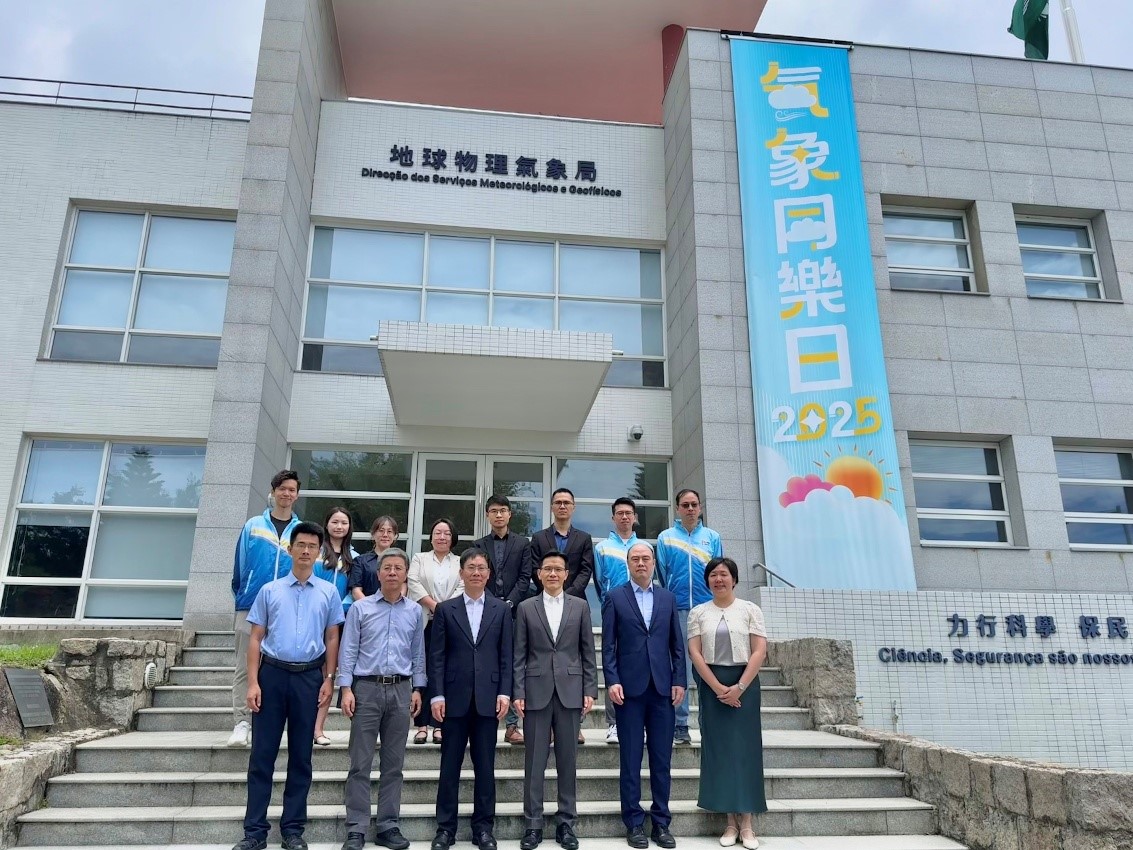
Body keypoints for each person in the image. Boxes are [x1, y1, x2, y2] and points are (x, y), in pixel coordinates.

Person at [233, 521, 343, 850]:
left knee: (301, 758)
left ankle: (293, 830)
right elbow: (256, 638)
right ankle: (254, 832)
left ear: (320, 552)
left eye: (313, 546)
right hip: (272, 676)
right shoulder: (270, 590)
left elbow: (332, 637)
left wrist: (329, 679)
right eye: (301, 545)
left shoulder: (328, 592)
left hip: (309, 678)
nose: (306, 551)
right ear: (290, 549)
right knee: (262, 756)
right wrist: (253, 683)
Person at [338, 548, 426, 850]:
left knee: (393, 764)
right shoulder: (360, 609)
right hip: (366, 689)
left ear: (405, 574)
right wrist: (345, 688)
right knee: (359, 763)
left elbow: (418, 653)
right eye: (387, 567)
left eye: (398, 568)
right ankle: (356, 828)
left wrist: (418, 688)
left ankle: (388, 825)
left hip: (401, 690)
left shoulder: (414, 611)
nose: (392, 572)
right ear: (378, 574)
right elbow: (348, 649)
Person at [603, 543, 686, 850]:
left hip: (662, 690)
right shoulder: (615, 597)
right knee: (630, 759)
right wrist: (612, 680)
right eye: (635, 559)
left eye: (646, 558)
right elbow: (608, 646)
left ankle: (661, 822)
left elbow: (677, 646)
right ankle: (634, 823)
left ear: (653, 563)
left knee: (662, 760)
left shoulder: (667, 598)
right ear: (628, 563)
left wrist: (679, 680)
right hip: (629, 691)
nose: (641, 563)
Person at [514, 551, 598, 850]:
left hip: (570, 690)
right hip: (535, 691)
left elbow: (588, 651)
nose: (552, 574)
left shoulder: (580, 606)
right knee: (534, 761)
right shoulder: (526, 607)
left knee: (567, 761)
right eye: (547, 569)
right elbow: (519, 654)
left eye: (558, 569)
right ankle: (533, 825)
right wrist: (518, 692)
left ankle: (566, 824)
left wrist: (590, 689)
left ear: (566, 574)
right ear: (539, 574)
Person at [430, 548, 513, 850]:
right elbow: (437, 656)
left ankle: (483, 829)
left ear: (489, 574)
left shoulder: (501, 610)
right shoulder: (445, 609)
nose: (476, 572)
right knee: (449, 767)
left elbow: (506, 655)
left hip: (488, 699)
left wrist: (505, 691)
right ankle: (445, 829)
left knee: (485, 768)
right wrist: (437, 694)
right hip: (453, 699)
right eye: (471, 567)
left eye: (482, 568)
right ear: (461, 573)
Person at [687, 557, 768, 850]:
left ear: (734, 579)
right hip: (713, 685)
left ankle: (747, 823)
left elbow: (759, 651)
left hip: (745, 683)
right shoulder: (698, 613)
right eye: (713, 575)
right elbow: (695, 653)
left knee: (745, 752)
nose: (718, 579)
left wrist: (739, 688)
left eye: (724, 574)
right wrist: (718, 687)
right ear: (707, 581)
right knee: (719, 752)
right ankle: (730, 823)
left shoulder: (750, 610)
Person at [229, 469, 302, 748]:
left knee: (276, 668)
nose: (286, 494)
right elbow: (239, 568)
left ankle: (267, 722)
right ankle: (241, 722)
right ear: (273, 492)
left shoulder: (300, 530)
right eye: (282, 488)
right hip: (250, 605)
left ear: (297, 495)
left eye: (292, 489)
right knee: (244, 667)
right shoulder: (253, 525)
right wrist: (244, 593)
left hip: (285, 608)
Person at [655, 488, 723, 745]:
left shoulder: (712, 537)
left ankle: (710, 723)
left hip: (708, 610)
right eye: (685, 505)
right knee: (680, 667)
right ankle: (680, 724)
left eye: (694, 504)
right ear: (678, 509)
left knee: (709, 666)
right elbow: (663, 575)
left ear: (700, 507)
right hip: (679, 610)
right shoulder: (666, 538)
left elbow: (718, 573)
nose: (691, 509)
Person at [473, 494, 531, 745]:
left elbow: (525, 578)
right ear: (487, 515)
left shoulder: (523, 544)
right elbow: (477, 576)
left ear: (510, 514)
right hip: (485, 613)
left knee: (514, 664)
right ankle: (484, 720)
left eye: (503, 510)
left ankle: (512, 725)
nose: (499, 515)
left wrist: (509, 603)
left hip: (515, 613)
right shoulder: (478, 545)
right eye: (494, 511)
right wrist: (494, 605)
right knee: (487, 663)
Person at [408, 517, 463, 744]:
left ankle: (439, 725)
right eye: (438, 533)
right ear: (431, 537)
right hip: (424, 622)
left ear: (453, 538)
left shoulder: (460, 562)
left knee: (444, 670)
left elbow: (462, 586)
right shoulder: (419, 558)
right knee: (422, 669)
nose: (442, 537)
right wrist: (434, 606)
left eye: (447, 533)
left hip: (450, 624)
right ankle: (421, 724)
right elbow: (413, 582)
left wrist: (445, 610)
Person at [592, 497, 641, 744]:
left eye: (628, 513)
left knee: (639, 664)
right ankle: (613, 723)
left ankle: (638, 720)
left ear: (635, 517)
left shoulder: (643, 547)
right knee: (612, 664)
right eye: (620, 513)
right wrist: (609, 602)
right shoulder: (602, 548)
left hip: (641, 613)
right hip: (614, 610)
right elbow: (600, 581)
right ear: (613, 518)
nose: (624, 517)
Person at [312, 507, 358, 746]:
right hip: (314, 619)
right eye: (335, 522)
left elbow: (353, 590)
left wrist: (340, 608)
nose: (339, 527)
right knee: (314, 675)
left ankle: (318, 729)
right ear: (327, 524)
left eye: (344, 523)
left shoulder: (354, 557)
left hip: (340, 621)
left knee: (329, 675)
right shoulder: (316, 552)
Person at [527, 487, 594, 601]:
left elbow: (585, 571)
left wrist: (567, 594)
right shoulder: (538, 538)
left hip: (575, 599)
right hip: (544, 599)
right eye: (558, 503)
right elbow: (534, 569)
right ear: (551, 507)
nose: (562, 506)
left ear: (573, 507)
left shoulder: (584, 538)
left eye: (566, 503)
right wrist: (551, 591)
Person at [348, 516, 399, 600]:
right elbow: (356, 590)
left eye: (389, 531)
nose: (385, 535)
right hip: (366, 606)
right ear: (373, 534)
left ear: (395, 536)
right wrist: (370, 606)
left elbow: (404, 586)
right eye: (381, 531)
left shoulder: (401, 561)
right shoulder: (360, 561)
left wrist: (395, 604)